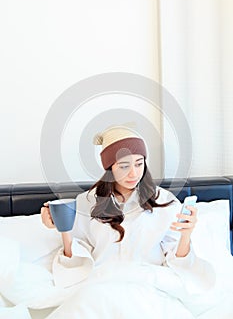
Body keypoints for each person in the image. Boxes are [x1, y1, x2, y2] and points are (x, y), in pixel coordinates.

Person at [41, 124, 215, 319]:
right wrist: (61, 226)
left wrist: (186, 235)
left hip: (149, 288)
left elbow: (178, 262)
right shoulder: (86, 202)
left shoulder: (164, 201)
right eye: (124, 166)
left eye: (139, 164)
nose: (133, 173)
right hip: (100, 288)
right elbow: (75, 263)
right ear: (109, 168)